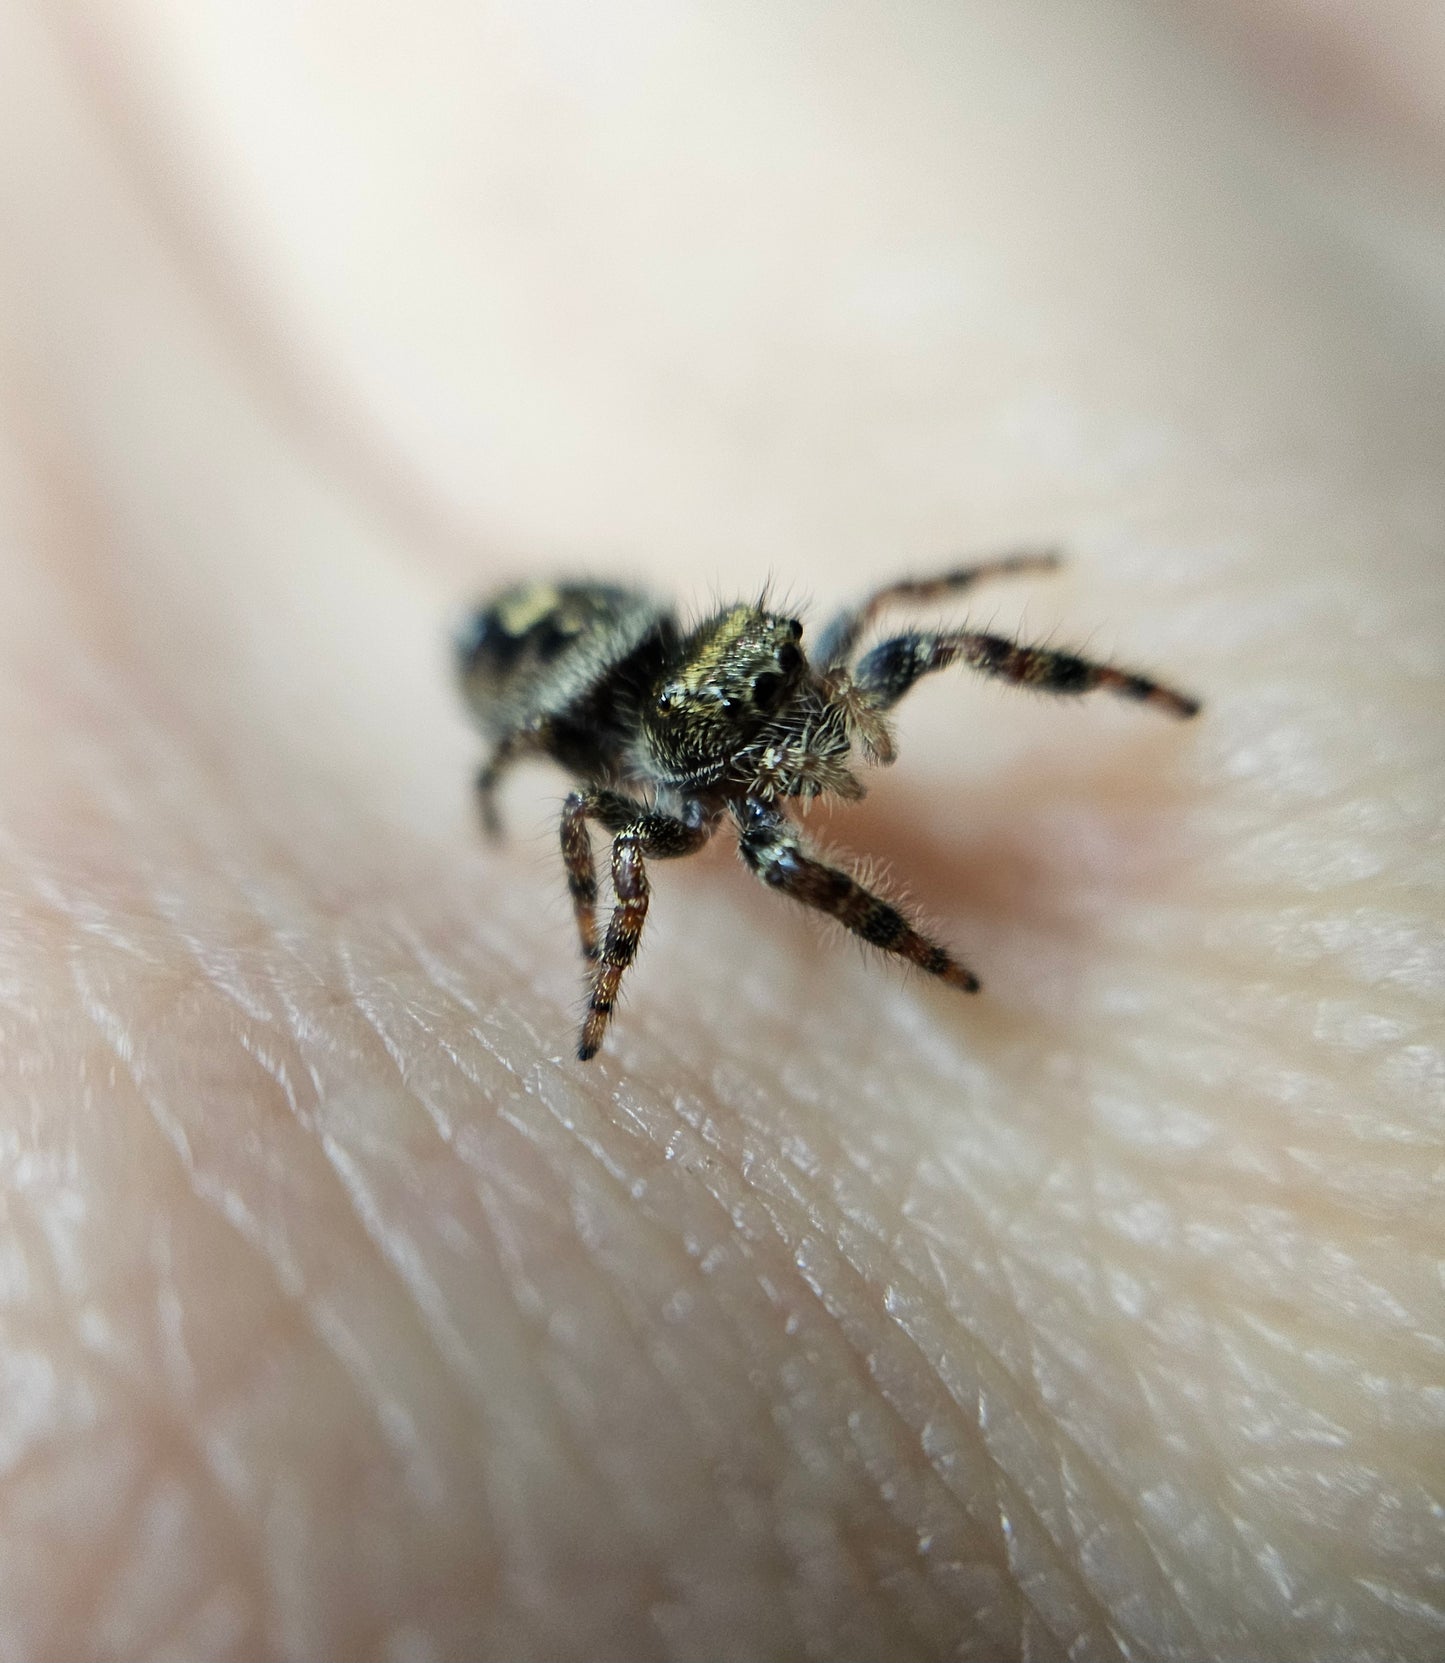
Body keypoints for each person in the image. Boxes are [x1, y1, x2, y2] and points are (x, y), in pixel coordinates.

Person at [1, 2, 1440, 1655]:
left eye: (803, 705)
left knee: (916, 632)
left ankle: (1110, 720)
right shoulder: (684, 794)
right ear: (733, 731)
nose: (821, 740)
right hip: (554, 671)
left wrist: (1057, 640)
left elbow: (915, 612)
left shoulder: (807, 674)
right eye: (788, 725)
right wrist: (605, 975)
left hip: (622, 637)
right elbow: (592, 828)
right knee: (715, 841)